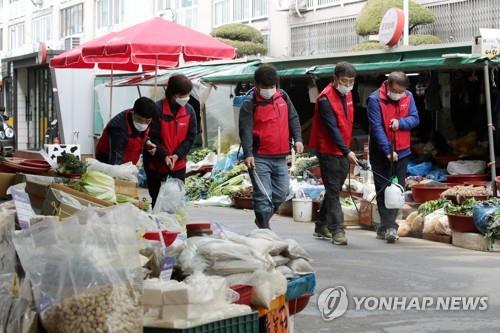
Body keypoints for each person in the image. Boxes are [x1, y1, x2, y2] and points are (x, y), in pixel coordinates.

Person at [239, 64, 303, 229]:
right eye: (265, 87)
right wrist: (248, 154)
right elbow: (245, 130)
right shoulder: (249, 102)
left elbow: (293, 117)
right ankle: (264, 226)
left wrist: (298, 139)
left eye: (272, 86)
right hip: (259, 156)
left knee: (281, 193)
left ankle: (262, 218)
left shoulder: (283, 96)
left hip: (280, 156)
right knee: (263, 194)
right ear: (257, 84)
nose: (269, 90)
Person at [309, 62, 359, 246]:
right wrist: (347, 151)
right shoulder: (325, 99)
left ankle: (321, 225)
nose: (347, 84)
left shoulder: (348, 94)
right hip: (328, 149)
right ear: (335, 78)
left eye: (351, 81)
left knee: (334, 190)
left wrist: (347, 149)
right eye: (344, 81)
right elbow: (331, 128)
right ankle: (337, 229)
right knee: (332, 190)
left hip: (343, 148)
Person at [367, 71, 420, 243]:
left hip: (403, 151)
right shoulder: (375, 99)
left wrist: (401, 123)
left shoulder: (408, 97)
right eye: (396, 91)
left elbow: (415, 119)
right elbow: (376, 128)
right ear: (388, 86)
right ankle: (390, 226)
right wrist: (387, 150)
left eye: (401, 91)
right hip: (381, 153)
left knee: (397, 190)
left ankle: (386, 226)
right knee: (383, 189)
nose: (398, 94)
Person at [144, 74, 197, 206]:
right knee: (157, 202)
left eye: (188, 95)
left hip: (178, 166)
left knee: (175, 204)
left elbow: (191, 138)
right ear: (174, 95)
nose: (187, 98)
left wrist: (177, 155)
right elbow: (152, 137)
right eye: (184, 95)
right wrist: (164, 155)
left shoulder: (189, 111)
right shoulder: (157, 109)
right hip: (157, 165)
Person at [95, 96, 156, 165]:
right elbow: (115, 160)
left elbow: (141, 135)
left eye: (147, 121)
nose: (143, 124)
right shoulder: (118, 128)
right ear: (133, 112)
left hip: (128, 161)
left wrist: (147, 142)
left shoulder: (146, 116)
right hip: (107, 160)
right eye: (140, 120)